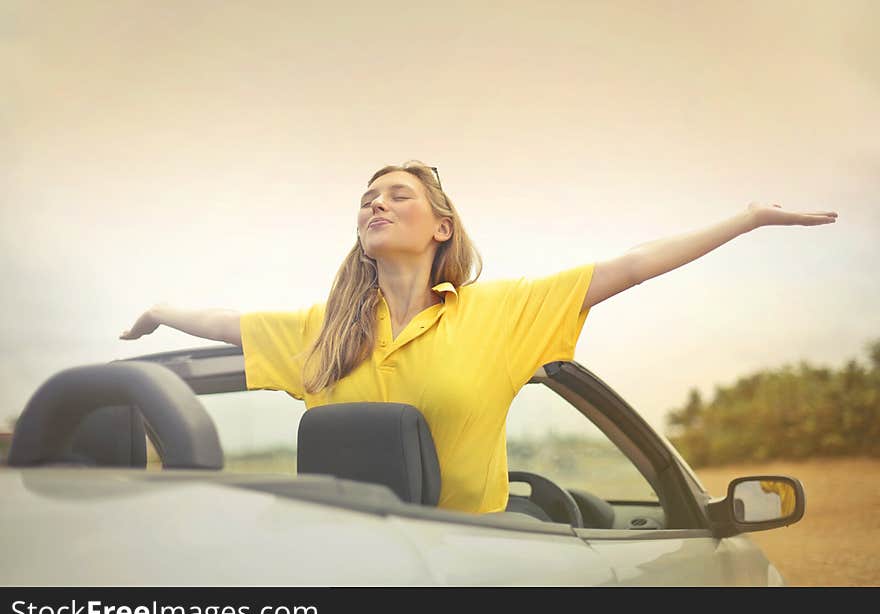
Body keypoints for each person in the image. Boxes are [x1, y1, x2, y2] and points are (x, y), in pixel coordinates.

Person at [120, 159, 837, 514]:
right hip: (345, 562)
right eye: (368, 197)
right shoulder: (322, 331)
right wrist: (161, 308)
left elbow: (631, 266)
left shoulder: (498, 313)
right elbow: (226, 327)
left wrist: (744, 219)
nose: (376, 201)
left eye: (397, 193)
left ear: (441, 228)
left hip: (475, 562)